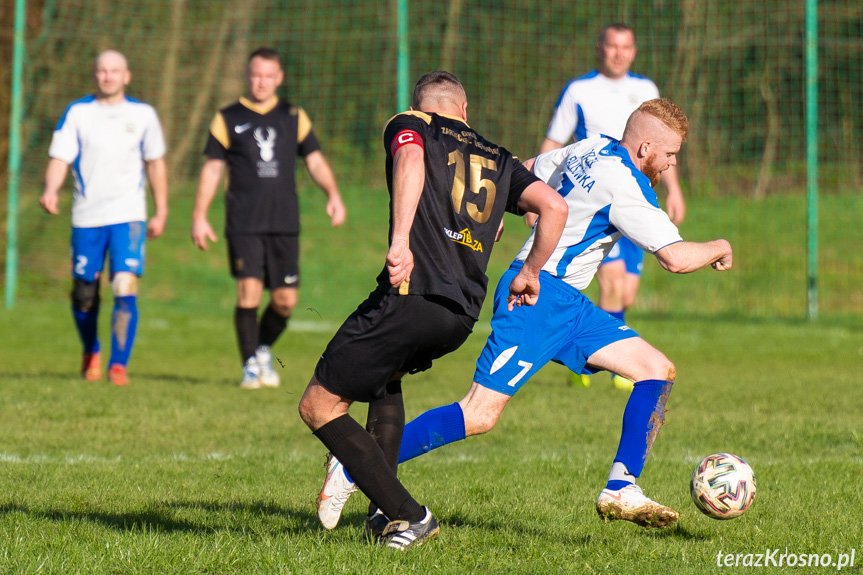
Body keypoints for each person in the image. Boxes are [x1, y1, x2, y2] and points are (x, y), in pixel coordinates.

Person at [318, 99, 733, 530]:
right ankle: (351, 465)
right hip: (536, 296)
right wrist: (721, 246)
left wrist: (507, 212)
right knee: (479, 414)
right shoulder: (627, 185)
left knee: (655, 370)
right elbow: (675, 258)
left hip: (568, 305)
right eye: (670, 155)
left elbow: (524, 166)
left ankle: (621, 487)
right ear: (646, 147)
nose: (669, 166)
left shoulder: (592, 148)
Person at [298, 71, 568, 550]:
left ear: (421, 106)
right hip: (460, 315)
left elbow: (410, 160)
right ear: (465, 110)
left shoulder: (413, 124)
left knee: (318, 405)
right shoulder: (499, 157)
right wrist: (531, 271)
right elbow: (553, 207)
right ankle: (383, 513)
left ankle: (410, 515)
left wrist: (401, 240)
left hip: (412, 294)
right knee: (385, 380)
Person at [538, 22, 687, 390]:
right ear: (599, 48)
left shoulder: (645, 89)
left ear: (634, 51)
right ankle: (611, 365)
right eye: (612, 46)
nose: (619, 53)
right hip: (595, 203)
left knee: (627, 292)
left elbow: (662, 146)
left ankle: (591, 355)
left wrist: (674, 190)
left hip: (636, 201)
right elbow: (552, 143)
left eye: (626, 47)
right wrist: (535, 195)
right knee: (613, 282)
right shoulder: (580, 90)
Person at [191, 47, 346, 390]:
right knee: (248, 291)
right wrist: (199, 215)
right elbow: (213, 168)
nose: (261, 81)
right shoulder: (227, 117)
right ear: (248, 76)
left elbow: (315, 160)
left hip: (284, 223)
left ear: (279, 78)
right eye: (255, 74)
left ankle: (261, 349)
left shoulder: (293, 116)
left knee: (285, 301)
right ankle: (249, 364)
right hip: (244, 221)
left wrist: (333, 194)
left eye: (268, 75)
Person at [39, 50, 169, 386]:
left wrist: (162, 209)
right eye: (102, 70)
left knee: (124, 286)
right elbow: (59, 157)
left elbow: (155, 163)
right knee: (84, 293)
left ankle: (118, 365)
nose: (108, 76)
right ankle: (91, 350)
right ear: (95, 74)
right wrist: (51, 188)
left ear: (127, 76)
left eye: (115, 71)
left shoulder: (143, 115)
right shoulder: (78, 113)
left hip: (128, 217)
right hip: (87, 217)